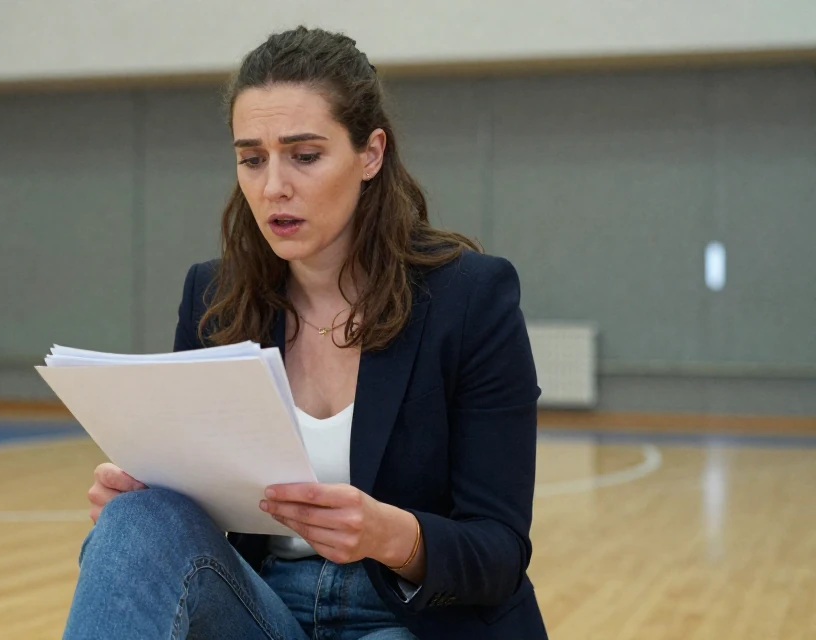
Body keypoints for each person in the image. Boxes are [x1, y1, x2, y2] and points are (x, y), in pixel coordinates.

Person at [62, 26, 547, 640]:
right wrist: (148, 503)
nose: (273, 187)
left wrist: (391, 536)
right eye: (252, 158)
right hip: (260, 609)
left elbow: (499, 551)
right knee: (137, 521)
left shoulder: (471, 297)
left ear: (370, 153)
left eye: (305, 155)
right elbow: (201, 507)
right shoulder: (211, 297)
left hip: (416, 620)